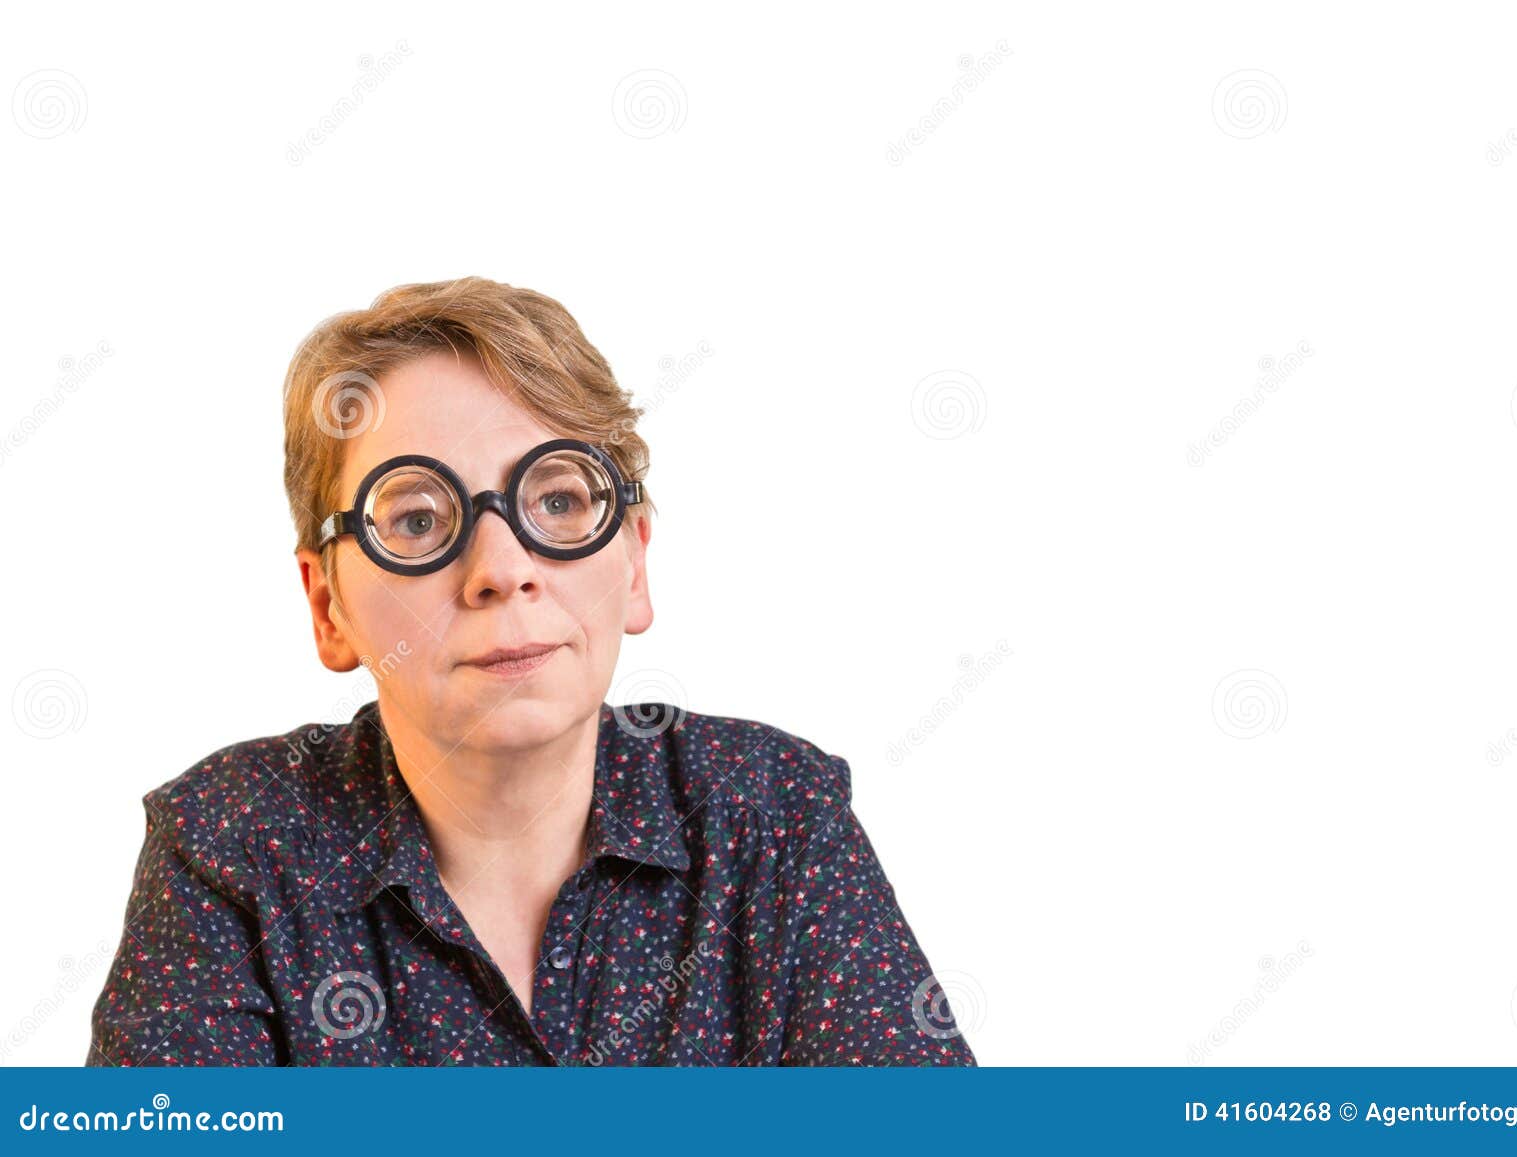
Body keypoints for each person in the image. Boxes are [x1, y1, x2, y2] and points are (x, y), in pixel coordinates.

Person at [84, 276, 976, 1066]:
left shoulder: (775, 818)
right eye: (419, 519)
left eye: (557, 498)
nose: (502, 568)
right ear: (329, 607)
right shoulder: (230, 847)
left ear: (633, 560)